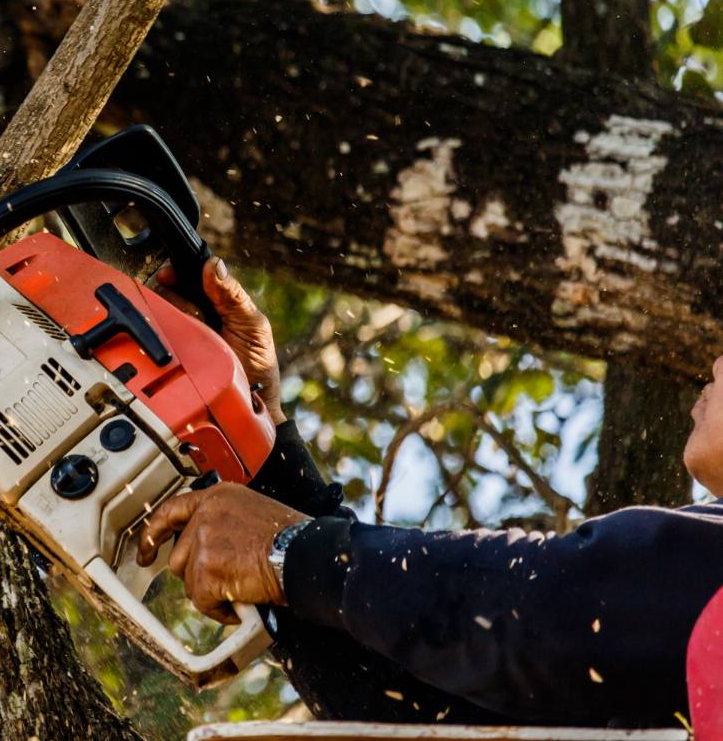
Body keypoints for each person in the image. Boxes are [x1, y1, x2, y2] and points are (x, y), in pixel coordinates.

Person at [142, 258, 723, 728]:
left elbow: (560, 603)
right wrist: (255, 447)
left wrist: (289, 553)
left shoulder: (659, 588)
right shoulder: (666, 653)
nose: (716, 362)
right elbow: (418, 711)